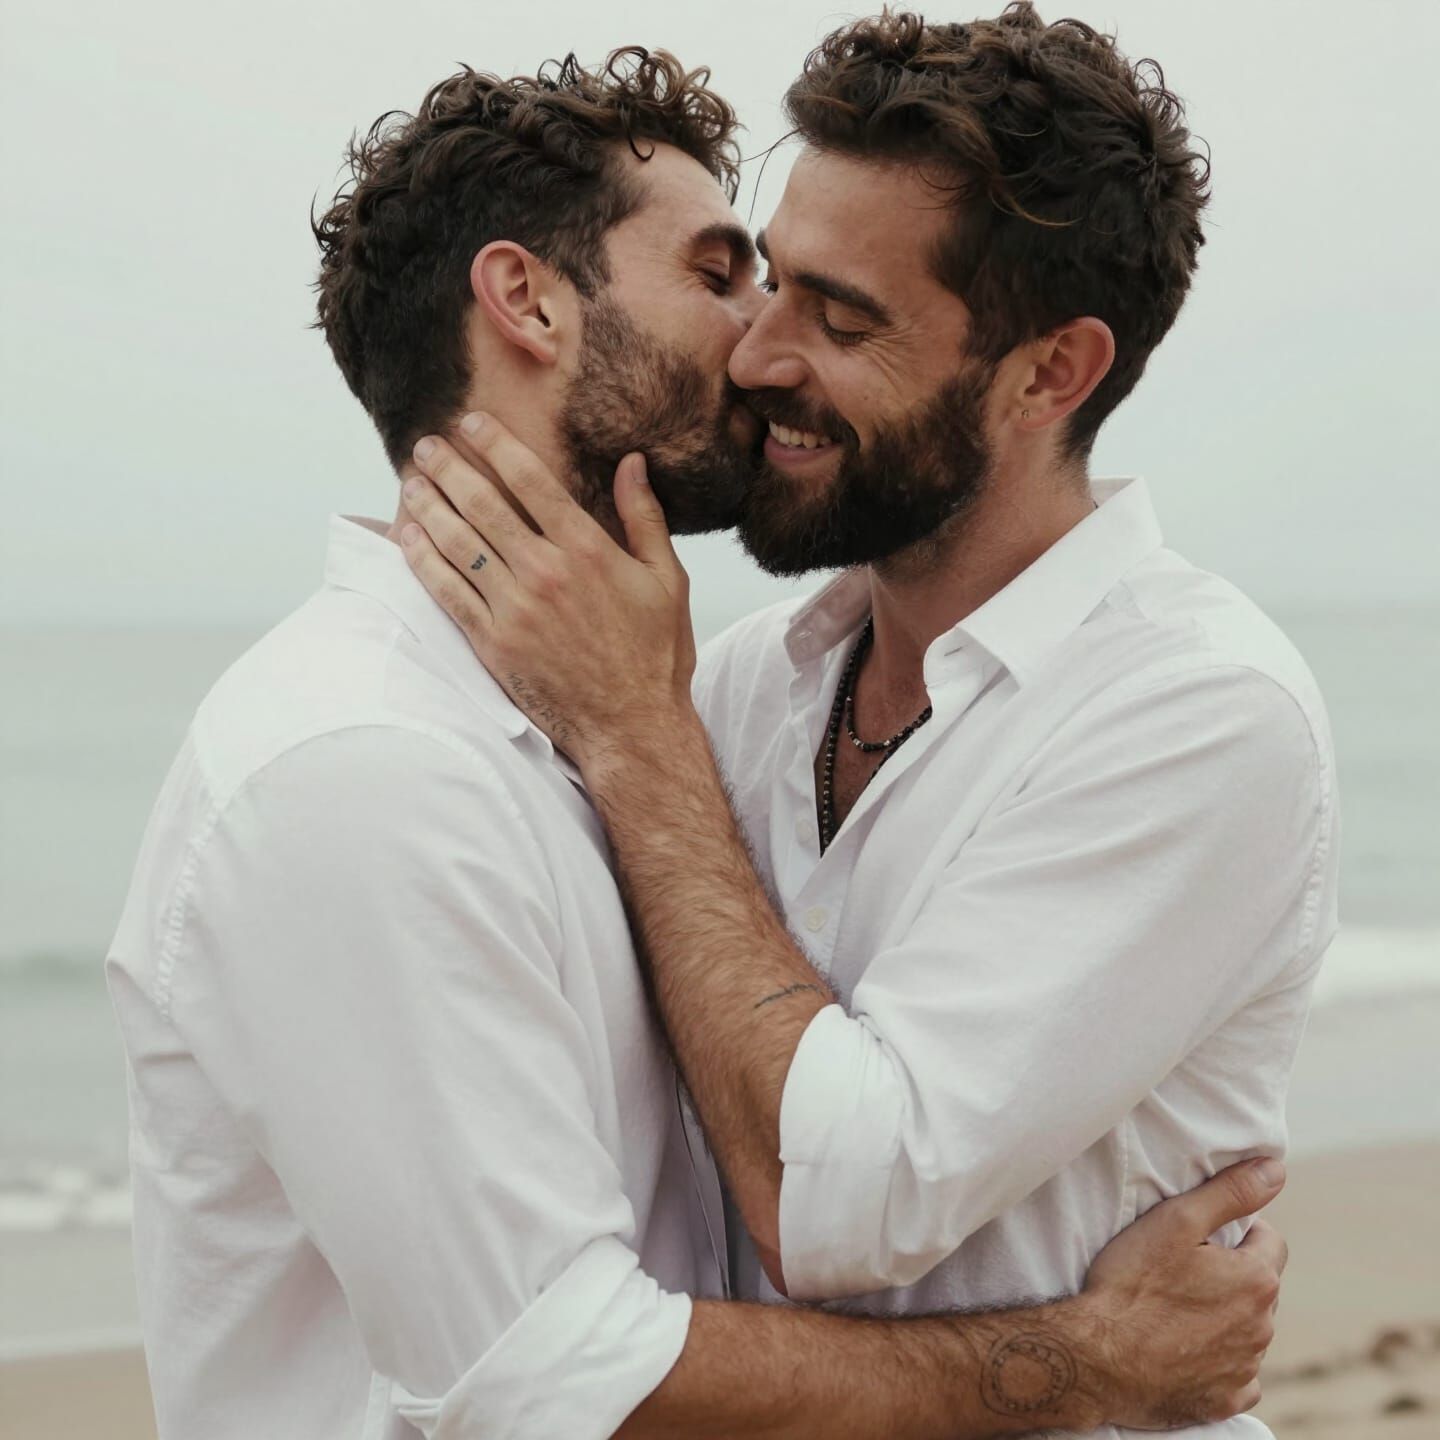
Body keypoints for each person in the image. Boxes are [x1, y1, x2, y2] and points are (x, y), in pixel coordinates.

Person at [109, 43, 1286, 1440]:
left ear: (1049, 376)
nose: (761, 348)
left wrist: (634, 730)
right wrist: (1082, 1364)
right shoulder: (380, 764)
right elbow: (552, 1375)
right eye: (736, 276)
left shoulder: (1182, 709)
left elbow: (823, 1191)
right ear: (525, 300)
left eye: (830, 314)